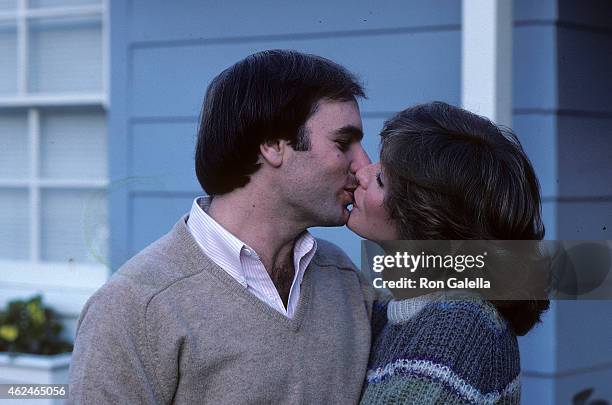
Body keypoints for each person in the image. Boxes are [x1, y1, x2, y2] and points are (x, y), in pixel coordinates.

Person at [69, 50, 374, 404]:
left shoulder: (346, 278)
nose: (364, 165)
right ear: (274, 145)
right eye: (343, 143)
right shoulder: (135, 306)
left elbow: (443, 309)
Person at [348, 102, 550, 404]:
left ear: (424, 219)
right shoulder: (402, 311)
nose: (362, 173)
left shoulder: (461, 326)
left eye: (380, 179)